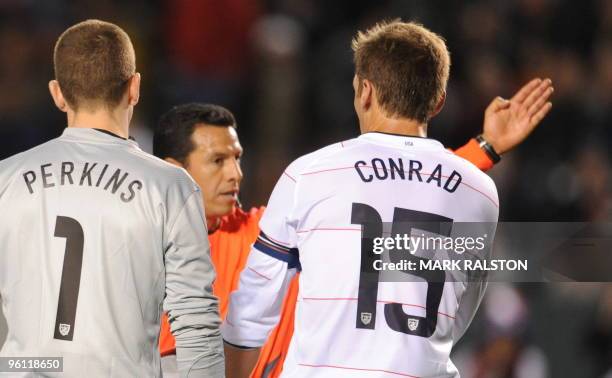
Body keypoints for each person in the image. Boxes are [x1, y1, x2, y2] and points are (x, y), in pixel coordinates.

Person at [154, 72, 552, 377]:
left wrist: (484, 148)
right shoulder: (145, 256)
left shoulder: (262, 230)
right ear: (174, 172)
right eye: (218, 161)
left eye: (237, 158)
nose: (235, 174)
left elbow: (396, 188)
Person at [0, 20, 223, 377]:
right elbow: (196, 324)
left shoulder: (5, 180)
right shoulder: (169, 187)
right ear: (134, 88)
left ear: (58, 93)